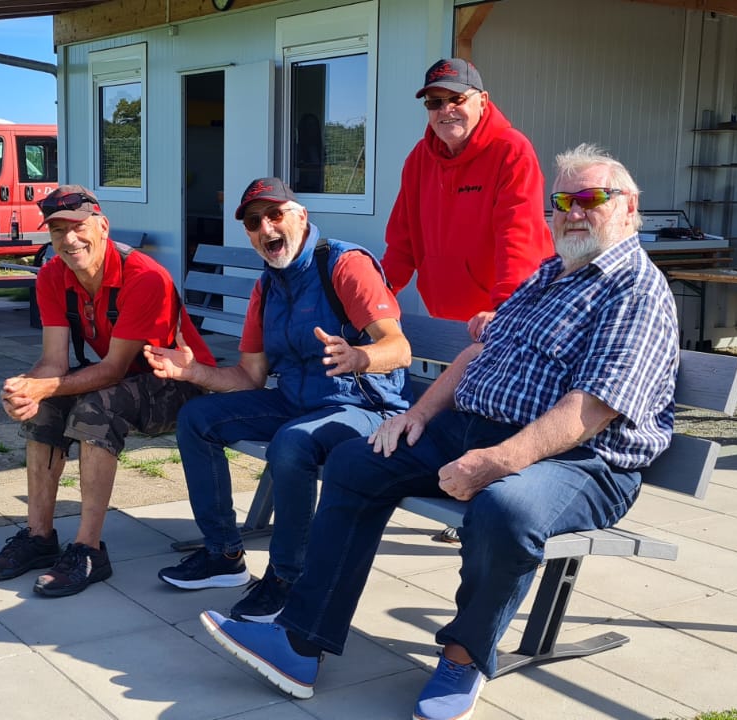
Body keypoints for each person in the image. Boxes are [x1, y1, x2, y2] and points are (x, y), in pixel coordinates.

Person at [199, 145, 680, 720]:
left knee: (505, 510)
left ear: (629, 207)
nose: (573, 211)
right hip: (476, 428)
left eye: (591, 198)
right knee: (354, 463)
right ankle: (300, 643)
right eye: (562, 200)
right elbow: (477, 354)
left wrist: (496, 461)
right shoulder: (550, 274)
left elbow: (591, 410)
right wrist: (418, 415)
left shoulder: (635, 289)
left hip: (580, 460)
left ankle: (461, 659)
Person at [144, 177, 413, 622]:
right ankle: (224, 556)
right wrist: (193, 373)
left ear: (301, 217)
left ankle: (289, 578)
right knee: (196, 418)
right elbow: (250, 377)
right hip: (296, 402)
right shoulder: (266, 287)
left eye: (275, 214)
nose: (265, 227)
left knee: (292, 442)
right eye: (254, 222)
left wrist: (360, 356)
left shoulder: (345, 265)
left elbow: (399, 349)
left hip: (364, 408)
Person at [0, 185, 218, 598]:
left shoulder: (145, 277)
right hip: (126, 381)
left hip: (183, 384)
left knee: (96, 406)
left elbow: (112, 370)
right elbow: (53, 362)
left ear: (103, 227)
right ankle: (39, 537)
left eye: (79, 227)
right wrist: (26, 390)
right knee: (46, 405)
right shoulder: (52, 275)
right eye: (57, 231)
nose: (69, 240)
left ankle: (88, 551)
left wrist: (44, 385)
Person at [381, 57, 553, 339]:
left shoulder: (512, 151)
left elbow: (518, 236)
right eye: (434, 102)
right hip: (445, 319)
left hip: (504, 319)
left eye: (456, 98)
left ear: (482, 101)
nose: (445, 109)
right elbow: (402, 241)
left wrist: (506, 310)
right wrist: (376, 296)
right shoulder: (419, 158)